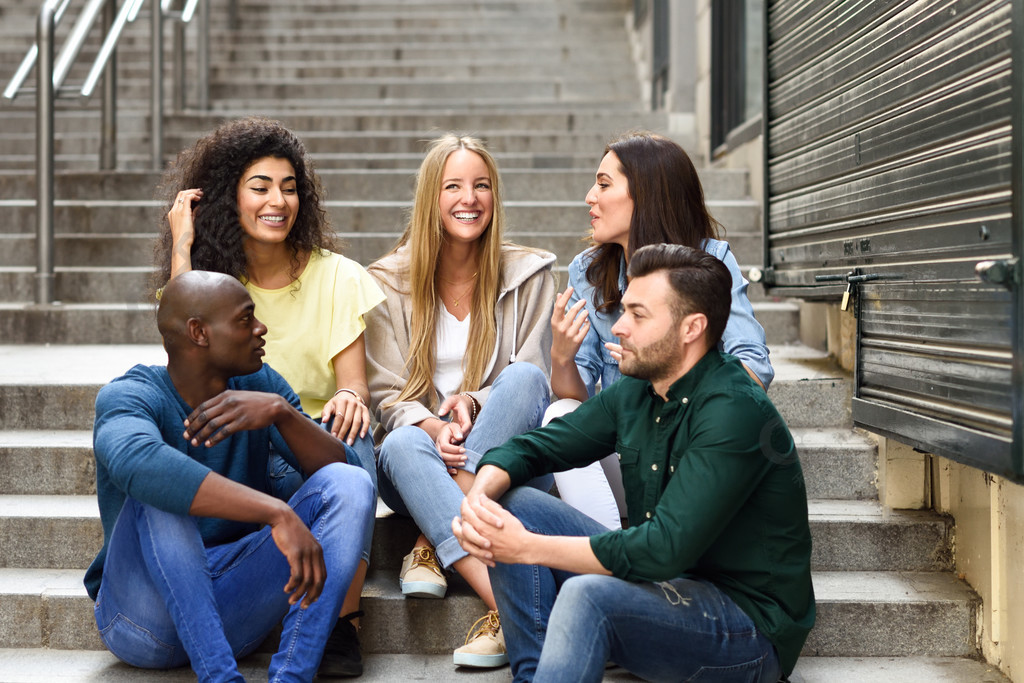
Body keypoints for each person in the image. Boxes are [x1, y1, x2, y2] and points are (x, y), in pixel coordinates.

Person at [453, 244, 815, 683]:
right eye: (623, 311)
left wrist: (527, 547)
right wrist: (479, 493)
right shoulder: (640, 390)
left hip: (746, 629)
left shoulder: (733, 411)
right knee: (508, 501)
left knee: (588, 596)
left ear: (692, 328)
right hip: (665, 589)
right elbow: (539, 447)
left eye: (638, 316)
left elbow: (660, 550)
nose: (619, 328)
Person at [154, 116, 384, 676]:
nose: (277, 201)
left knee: (353, 447)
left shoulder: (340, 277)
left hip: (309, 434)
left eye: (288, 187)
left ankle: (341, 622)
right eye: (259, 187)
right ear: (231, 196)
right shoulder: (207, 288)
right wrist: (183, 249)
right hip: (239, 445)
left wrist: (353, 397)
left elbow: (352, 381)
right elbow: (184, 371)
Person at [87, 271, 376, 683]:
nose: (261, 328)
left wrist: (281, 412)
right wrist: (278, 512)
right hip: (140, 622)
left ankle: (293, 675)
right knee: (159, 492)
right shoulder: (131, 395)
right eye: (245, 319)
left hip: (230, 607)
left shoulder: (257, 384)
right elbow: (139, 462)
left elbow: (345, 473)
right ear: (199, 332)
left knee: (352, 484)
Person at [364, 133, 556, 668]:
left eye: (482, 186)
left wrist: (473, 402)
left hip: (506, 462)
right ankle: (513, 609)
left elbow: (536, 376)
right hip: (419, 462)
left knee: (521, 382)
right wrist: (432, 426)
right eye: (453, 186)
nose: (469, 198)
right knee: (400, 443)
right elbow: (383, 392)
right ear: (432, 197)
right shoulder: (387, 282)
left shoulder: (530, 274)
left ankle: (430, 540)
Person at [548, 131, 774, 530]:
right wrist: (562, 358)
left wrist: (664, 372)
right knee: (558, 415)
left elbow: (754, 368)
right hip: (631, 454)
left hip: (694, 455)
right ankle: (612, 558)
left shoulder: (711, 262)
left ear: (646, 195)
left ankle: (625, 562)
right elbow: (580, 402)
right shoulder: (588, 271)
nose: (589, 197)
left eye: (603, 185)